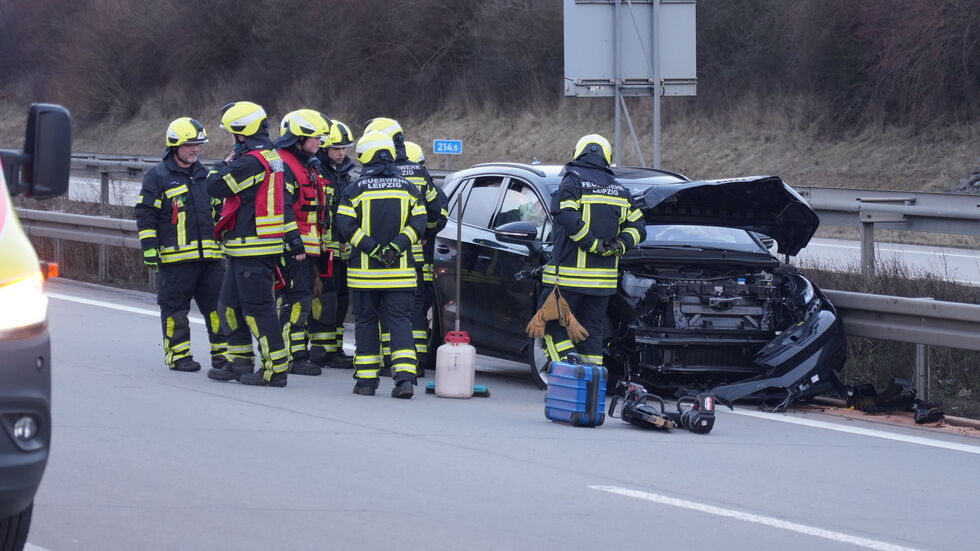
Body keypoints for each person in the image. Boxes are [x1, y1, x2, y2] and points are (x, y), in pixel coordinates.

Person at [205, 101, 305, 387]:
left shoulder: (251, 161)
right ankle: (240, 363)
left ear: (240, 133)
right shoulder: (270, 156)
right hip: (244, 248)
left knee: (258, 311)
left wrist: (219, 166)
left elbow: (215, 187)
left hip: (254, 247)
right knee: (228, 306)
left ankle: (275, 370)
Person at [539, 134, 646, 368]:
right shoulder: (620, 191)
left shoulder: (571, 183)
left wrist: (593, 244)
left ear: (578, 153)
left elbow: (567, 217)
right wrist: (618, 245)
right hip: (602, 284)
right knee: (590, 334)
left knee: (550, 325)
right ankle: (591, 381)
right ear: (607, 157)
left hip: (567, 279)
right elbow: (639, 227)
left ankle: (571, 371)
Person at [335, 130, 427, 398]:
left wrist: (373, 249)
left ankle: (366, 382)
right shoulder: (409, 188)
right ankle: (405, 380)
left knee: (365, 323)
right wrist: (396, 247)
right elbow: (419, 224)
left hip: (364, 275)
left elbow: (345, 227)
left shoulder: (354, 190)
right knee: (399, 323)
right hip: (400, 274)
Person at [135, 117, 227, 372]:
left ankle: (223, 357)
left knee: (219, 309)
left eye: (198, 144)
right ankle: (179, 356)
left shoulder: (205, 175)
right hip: (175, 262)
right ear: (175, 146)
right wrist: (151, 249)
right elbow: (145, 215)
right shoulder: (158, 177)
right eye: (189, 145)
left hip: (210, 260)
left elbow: (219, 212)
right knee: (175, 310)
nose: (195, 149)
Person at [363, 119, 446, 376]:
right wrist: (424, 233)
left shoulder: (370, 177)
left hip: (373, 255)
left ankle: (386, 359)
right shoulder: (417, 173)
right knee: (412, 308)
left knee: (379, 309)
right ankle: (415, 360)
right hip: (414, 257)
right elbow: (437, 212)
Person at [274, 109, 332, 376]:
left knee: (302, 300)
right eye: (316, 138)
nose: (320, 143)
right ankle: (288, 355)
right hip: (292, 248)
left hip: (308, 247)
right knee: (294, 301)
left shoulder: (308, 163)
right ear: (298, 139)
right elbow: (282, 206)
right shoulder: (284, 164)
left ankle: (296, 353)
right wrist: (294, 242)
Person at [308, 120, 356, 369]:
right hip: (321, 249)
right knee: (323, 298)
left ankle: (335, 348)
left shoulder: (345, 174)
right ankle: (319, 348)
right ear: (324, 148)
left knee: (341, 298)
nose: (341, 153)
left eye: (345, 148)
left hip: (342, 250)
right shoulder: (317, 172)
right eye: (337, 148)